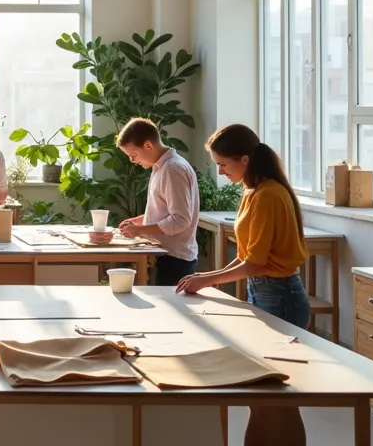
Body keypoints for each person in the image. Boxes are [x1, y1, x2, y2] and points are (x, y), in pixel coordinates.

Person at [176, 124, 310, 446]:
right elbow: (247, 257)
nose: (220, 172)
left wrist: (206, 279)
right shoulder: (252, 192)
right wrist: (206, 280)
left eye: (223, 164)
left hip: (280, 296)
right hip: (263, 291)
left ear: (245, 159)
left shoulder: (268, 195)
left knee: (277, 397)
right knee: (258, 394)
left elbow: (256, 263)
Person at [115, 118, 200, 286]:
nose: (132, 161)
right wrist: (139, 221)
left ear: (148, 145)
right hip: (166, 256)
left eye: (133, 155)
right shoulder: (160, 167)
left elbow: (180, 220)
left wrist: (140, 230)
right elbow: (165, 211)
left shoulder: (172, 169)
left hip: (175, 261)